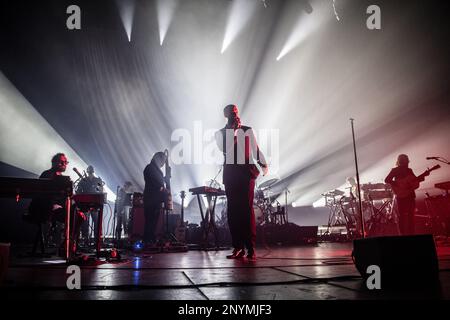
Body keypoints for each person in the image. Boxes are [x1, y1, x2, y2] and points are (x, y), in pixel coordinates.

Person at [215, 104, 268, 261]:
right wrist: (235, 132)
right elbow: (225, 149)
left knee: (246, 210)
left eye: (236, 112)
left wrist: (264, 164)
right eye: (232, 113)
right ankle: (238, 247)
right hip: (231, 175)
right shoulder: (220, 133)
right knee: (233, 212)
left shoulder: (247, 130)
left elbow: (255, 149)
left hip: (246, 174)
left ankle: (250, 247)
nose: (235, 115)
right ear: (226, 115)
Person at [29, 153, 85, 254]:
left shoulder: (64, 179)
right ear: (54, 163)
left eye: (66, 162)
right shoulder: (46, 175)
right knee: (76, 216)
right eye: (62, 162)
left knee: (80, 215)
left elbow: (66, 197)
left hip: (58, 209)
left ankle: (68, 243)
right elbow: (39, 195)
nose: (64, 164)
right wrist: (51, 205)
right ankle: (67, 244)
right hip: (44, 209)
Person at [384, 154, 427, 235]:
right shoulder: (395, 170)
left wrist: (422, 177)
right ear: (401, 161)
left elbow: (414, 181)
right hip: (401, 196)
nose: (406, 163)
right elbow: (387, 180)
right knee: (402, 217)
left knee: (411, 216)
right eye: (405, 161)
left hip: (410, 195)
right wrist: (398, 184)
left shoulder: (409, 170)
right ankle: (403, 236)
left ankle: (411, 235)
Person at [143, 152, 168, 245]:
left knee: (153, 222)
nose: (163, 164)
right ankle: (147, 241)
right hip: (151, 199)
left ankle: (150, 240)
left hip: (155, 199)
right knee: (150, 221)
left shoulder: (154, 169)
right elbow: (156, 182)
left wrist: (165, 179)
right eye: (163, 161)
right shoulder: (150, 168)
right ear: (158, 159)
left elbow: (158, 180)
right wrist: (163, 185)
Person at [76, 165, 104, 246]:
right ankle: (86, 239)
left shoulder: (97, 179)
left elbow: (100, 190)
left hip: (94, 203)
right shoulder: (83, 180)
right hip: (85, 203)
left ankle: (96, 239)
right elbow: (78, 191)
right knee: (85, 221)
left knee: (96, 221)